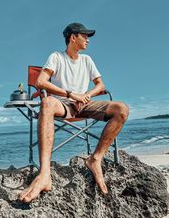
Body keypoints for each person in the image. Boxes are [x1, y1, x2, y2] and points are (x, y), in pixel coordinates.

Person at [19, 22, 129, 203]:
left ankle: (96, 159)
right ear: (72, 37)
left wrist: (86, 95)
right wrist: (72, 94)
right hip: (64, 104)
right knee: (46, 102)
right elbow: (41, 82)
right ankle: (45, 174)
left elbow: (101, 85)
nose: (87, 39)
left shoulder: (87, 60)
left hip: (85, 104)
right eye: (84, 35)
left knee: (122, 109)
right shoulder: (56, 57)